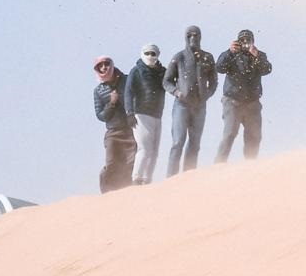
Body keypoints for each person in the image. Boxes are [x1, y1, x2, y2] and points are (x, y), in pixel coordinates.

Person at [162, 25, 217, 176]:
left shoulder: (207, 57)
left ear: (200, 37)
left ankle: (188, 177)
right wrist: (177, 92)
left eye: (195, 35)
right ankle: (171, 178)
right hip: (182, 105)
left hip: (199, 106)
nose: (193, 38)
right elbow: (166, 81)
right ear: (186, 37)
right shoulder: (179, 57)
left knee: (195, 143)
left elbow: (214, 81)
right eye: (189, 35)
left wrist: (207, 94)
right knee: (178, 142)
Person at [215, 29, 273, 163]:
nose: (245, 43)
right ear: (237, 42)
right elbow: (219, 68)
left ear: (253, 41)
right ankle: (219, 164)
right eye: (242, 40)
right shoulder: (231, 55)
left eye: (248, 40)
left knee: (254, 135)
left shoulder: (259, 55)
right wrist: (229, 52)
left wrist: (256, 56)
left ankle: (250, 165)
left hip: (252, 103)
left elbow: (267, 69)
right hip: (232, 101)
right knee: (230, 132)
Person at [93, 56, 137, 193]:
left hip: (131, 130)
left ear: (111, 65)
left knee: (131, 164)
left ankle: (130, 194)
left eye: (106, 64)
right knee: (111, 164)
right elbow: (100, 116)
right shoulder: (98, 90)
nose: (104, 68)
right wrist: (111, 103)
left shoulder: (126, 80)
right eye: (100, 66)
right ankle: (107, 196)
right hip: (113, 132)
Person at [124, 43, 166, 185]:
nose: (150, 56)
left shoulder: (161, 72)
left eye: (153, 53)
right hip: (141, 114)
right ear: (142, 54)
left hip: (157, 115)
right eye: (147, 53)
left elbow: (171, 81)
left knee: (154, 150)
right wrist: (129, 112)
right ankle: (136, 178)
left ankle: (147, 180)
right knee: (145, 148)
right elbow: (128, 92)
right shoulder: (136, 71)